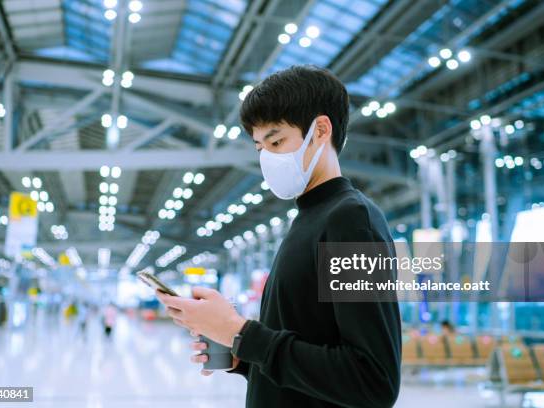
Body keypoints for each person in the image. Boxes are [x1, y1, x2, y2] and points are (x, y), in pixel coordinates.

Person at [157, 65, 402, 408]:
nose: (267, 157)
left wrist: (242, 333)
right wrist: (241, 356)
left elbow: (373, 381)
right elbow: (306, 348)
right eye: (259, 147)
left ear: (320, 130)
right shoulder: (307, 219)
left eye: (276, 141)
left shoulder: (351, 220)